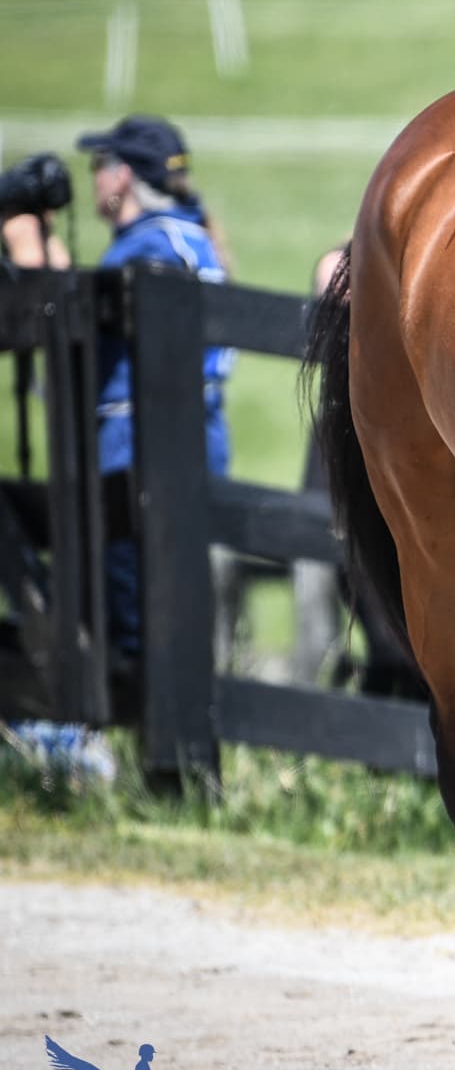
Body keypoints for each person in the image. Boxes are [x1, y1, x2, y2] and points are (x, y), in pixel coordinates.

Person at [79, 116, 232, 662]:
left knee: (138, 628)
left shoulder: (145, 250)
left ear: (122, 177)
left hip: (138, 445)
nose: (93, 178)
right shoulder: (191, 236)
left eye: (98, 165)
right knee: (177, 617)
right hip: (194, 439)